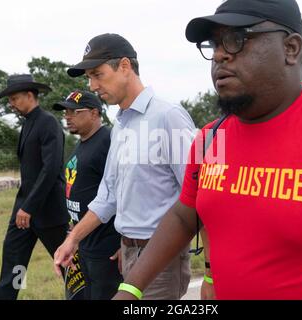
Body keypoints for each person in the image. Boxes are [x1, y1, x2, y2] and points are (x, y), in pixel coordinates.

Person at [112, 0, 302, 300]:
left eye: (237, 39)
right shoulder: (211, 139)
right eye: (214, 45)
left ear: (291, 49)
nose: (220, 55)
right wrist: (130, 290)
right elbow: (186, 214)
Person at [53, 33, 196, 300]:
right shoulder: (120, 125)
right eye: (89, 78)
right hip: (127, 253)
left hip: (161, 257)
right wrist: (73, 240)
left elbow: (198, 193)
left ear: (125, 66)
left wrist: (211, 270)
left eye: (98, 75)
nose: (93, 85)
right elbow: (108, 195)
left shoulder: (167, 117)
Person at [0, 74, 69, 300]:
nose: (11, 104)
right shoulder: (27, 124)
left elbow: (51, 168)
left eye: (15, 98)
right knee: (14, 266)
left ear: (29, 95)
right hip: (23, 213)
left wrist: (30, 206)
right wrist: (23, 208)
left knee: (69, 268)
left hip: (48, 212)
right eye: (10, 100)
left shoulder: (48, 122)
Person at [53, 90, 122, 299]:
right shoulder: (80, 144)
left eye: (75, 112)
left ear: (94, 113)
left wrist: (124, 244)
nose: (68, 117)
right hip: (83, 245)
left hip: (107, 249)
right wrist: (72, 239)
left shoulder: (108, 141)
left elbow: (123, 192)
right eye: (66, 112)